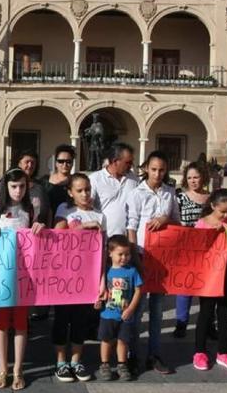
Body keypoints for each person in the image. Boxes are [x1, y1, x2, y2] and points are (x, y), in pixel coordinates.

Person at [0, 168, 45, 391]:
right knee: (1, 323)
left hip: (24, 275)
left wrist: (40, 226)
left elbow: (39, 232)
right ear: (5, 187)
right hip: (2, 276)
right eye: (13, 186)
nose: (18, 191)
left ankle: (18, 369)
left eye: (22, 186)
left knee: (20, 323)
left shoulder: (31, 207)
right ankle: (2, 369)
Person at [126, 150, 178, 375]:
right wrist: (134, 257)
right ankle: (132, 353)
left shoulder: (169, 193)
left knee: (157, 310)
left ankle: (154, 354)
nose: (157, 174)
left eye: (162, 170)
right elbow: (131, 225)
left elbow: (176, 221)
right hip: (141, 253)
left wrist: (165, 218)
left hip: (162, 260)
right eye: (154, 169)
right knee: (137, 308)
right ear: (146, 167)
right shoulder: (137, 193)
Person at [52, 173, 104, 383]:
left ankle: (76, 360)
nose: (85, 194)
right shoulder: (64, 211)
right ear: (70, 193)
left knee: (81, 321)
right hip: (63, 277)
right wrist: (82, 227)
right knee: (62, 320)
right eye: (80, 190)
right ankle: (60, 362)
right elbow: (56, 236)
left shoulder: (100, 216)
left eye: (87, 189)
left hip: (86, 278)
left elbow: (102, 250)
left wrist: (101, 281)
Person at [192, 189, 227, 372]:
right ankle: (200, 352)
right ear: (213, 206)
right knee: (206, 312)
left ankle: (223, 352)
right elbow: (197, 249)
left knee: (225, 313)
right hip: (209, 274)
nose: (226, 215)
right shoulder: (202, 223)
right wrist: (215, 232)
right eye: (223, 212)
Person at [96, 235, 141, 382]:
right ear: (110, 253)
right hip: (108, 314)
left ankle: (122, 365)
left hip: (125, 315)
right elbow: (99, 291)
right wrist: (97, 301)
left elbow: (138, 291)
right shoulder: (106, 271)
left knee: (123, 341)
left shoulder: (132, 271)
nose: (124, 257)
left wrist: (131, 309)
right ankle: (105, 364)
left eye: (127, 254)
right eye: (120, 254)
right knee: (106, 340)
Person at [173, 162, 210, 338]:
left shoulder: (211, 199)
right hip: (186, 249)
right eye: (189, 178)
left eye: (196, 177)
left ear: (203, 177)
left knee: (207, 288)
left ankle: (208, 323)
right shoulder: (179, 197)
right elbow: (174, 219)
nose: (193, 181)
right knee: (184, 287)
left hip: (207, 250)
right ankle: (181, 322)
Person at [89, 143, 138, 238]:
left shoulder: (134, 179)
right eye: (128, 162)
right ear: (115, 161)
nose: (131, 166)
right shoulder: (95, 179)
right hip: (103, 238)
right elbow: (88, 208)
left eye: (132, 162)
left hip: (127, 241)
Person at [44, 145, 75, 214]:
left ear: (72, 163)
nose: (65, 164)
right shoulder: (44, 181)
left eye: (68, 161)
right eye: (61, 161)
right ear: (56, 163)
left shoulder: (77, 182)